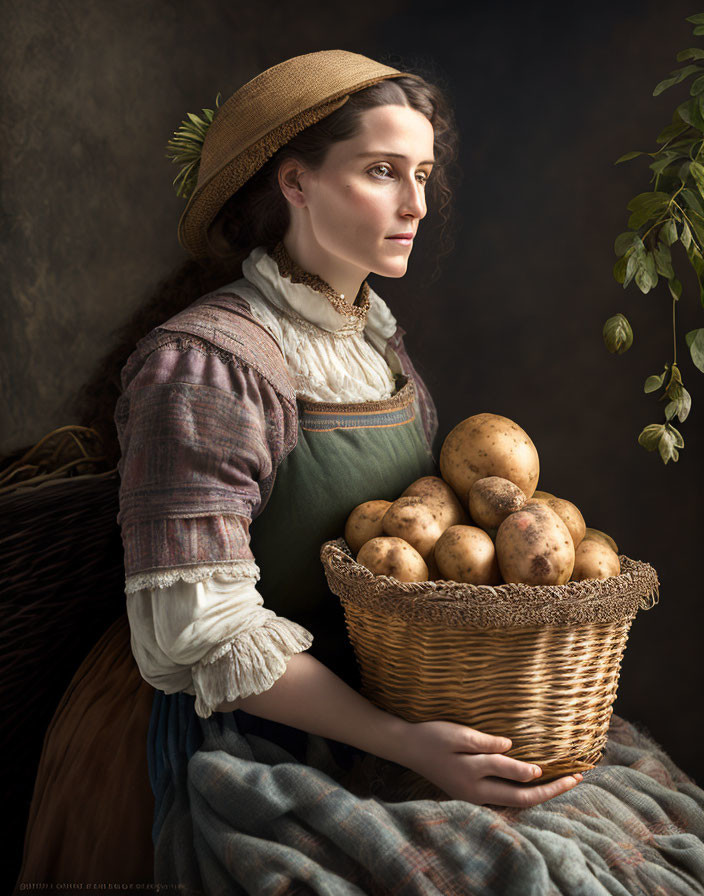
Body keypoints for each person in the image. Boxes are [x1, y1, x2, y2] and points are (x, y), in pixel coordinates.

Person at [17, 49, 704, 896]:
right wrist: (406, 742)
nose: (416, 203)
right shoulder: (205, 364)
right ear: (294, 183)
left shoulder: (372, 340)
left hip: (386, 690)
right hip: (245, 725)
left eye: (420, 173)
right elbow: (198, 632)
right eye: (382, 172)